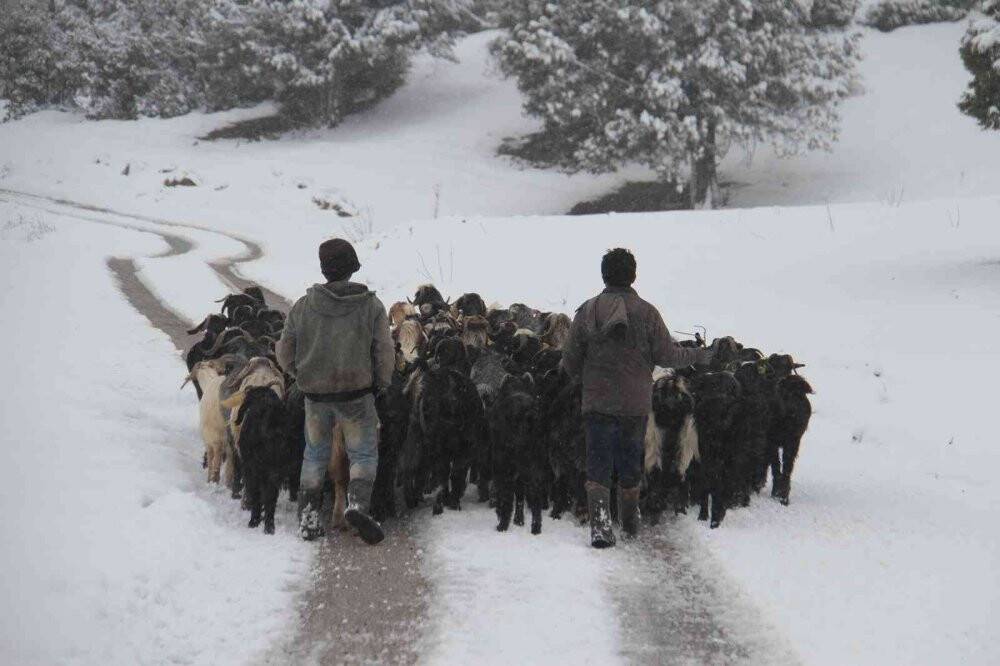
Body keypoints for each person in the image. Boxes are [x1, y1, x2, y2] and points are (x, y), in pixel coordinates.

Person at [561, 248, 714, 548]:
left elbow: (569, 359)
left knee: (598, 464)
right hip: (634, 404)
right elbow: (667, 354)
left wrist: (587, 380)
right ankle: (630, 522)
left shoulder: (587, 311)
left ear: (604, 274)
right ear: (633, 275)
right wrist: (700, 355)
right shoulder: (647, 313)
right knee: (631, 462)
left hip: (598, 402)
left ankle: (601, 527)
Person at [276, 238, 394, 545]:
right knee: (363, 453)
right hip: (357, 394)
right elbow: (384, 350)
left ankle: (309, 518)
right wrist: (382, 382)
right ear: (352, 268)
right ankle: (356, 505)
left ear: (323, 269)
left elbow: (285, 350)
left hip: (315, 396)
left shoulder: (303, 307)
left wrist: (298, 374)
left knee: (314, 454)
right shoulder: (371, 306)